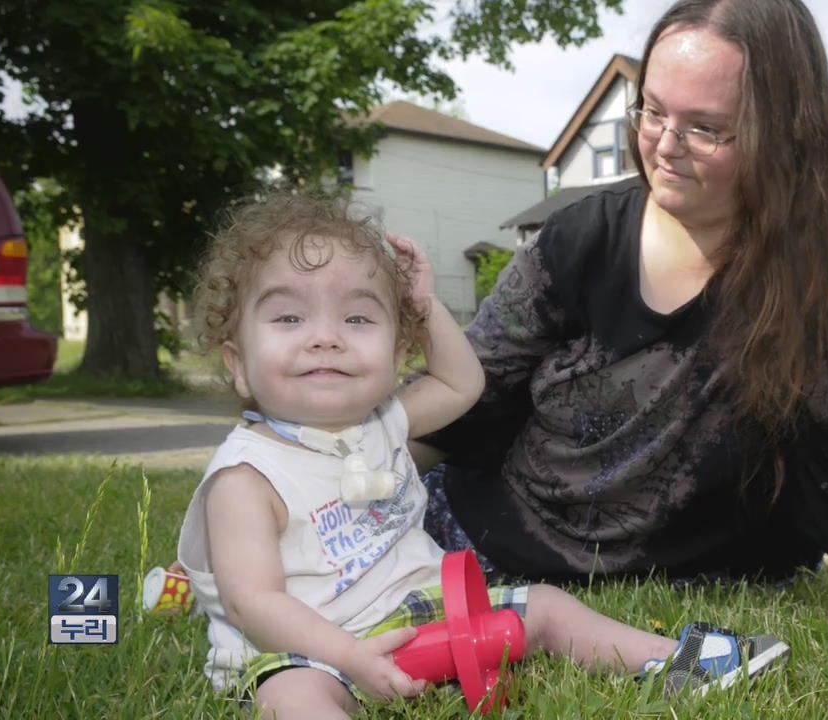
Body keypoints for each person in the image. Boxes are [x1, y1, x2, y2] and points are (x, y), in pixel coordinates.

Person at [412, 0, 828, 631]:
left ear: (786, 130)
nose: (664, 146)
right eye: (653, 110)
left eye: (706, 128)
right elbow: (467, 396)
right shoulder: (581, 237)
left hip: (715, 575)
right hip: (496, 539)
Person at [174, 194, 790, 719]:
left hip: (420, 610)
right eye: (288, 316)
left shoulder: (385, 422)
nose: (326, 335)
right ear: (238, 365)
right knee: (296, 696)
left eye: (359, 317)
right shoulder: (247, 478)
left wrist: (427, 308)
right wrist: (350, 658)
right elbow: (254, 604)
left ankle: (679, 660)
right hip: (303, 643)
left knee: (545, 605)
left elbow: (462, 384)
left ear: (395, 356)